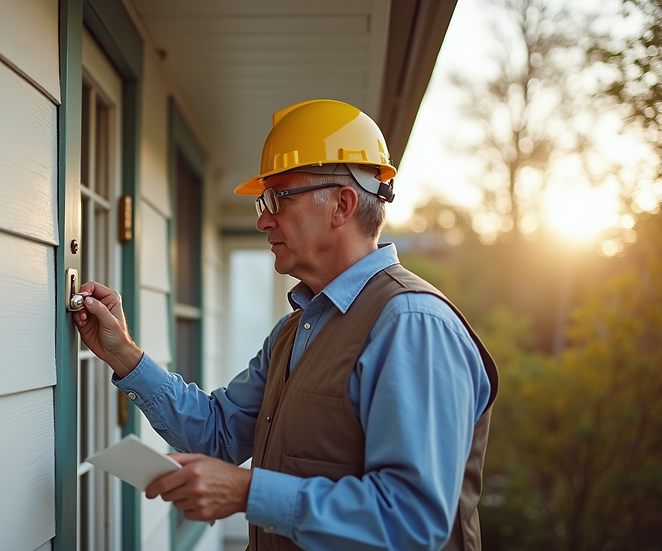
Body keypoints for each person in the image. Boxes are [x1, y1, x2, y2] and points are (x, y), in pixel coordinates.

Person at [72, 99, 498, 551]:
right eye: (263, 201)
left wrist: (246, 491)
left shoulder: (412, 325)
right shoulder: (296, 331)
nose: (262, 219)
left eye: (278, 197)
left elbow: (412, 521)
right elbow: (218, 434)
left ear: (342, 204)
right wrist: (125, 355)